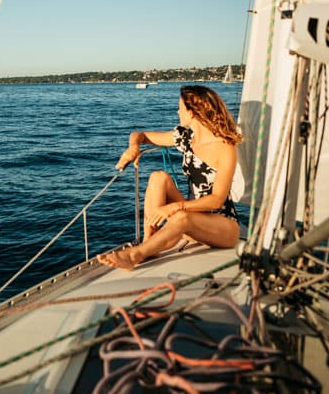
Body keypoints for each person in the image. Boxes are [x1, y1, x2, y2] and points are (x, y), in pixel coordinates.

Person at [97, 85, 242, 271]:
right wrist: (134, 147)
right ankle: (148, 244)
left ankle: (136, 254)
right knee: (158, 177)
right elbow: (139, 135)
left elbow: (217, 200)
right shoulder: (185, 137)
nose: (177, 111)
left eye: (180, 108)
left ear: (192, 112)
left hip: (223, 227)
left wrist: (175, 206)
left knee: (182, 217)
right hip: (191, 219)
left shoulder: (225, 147)